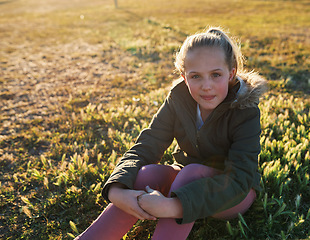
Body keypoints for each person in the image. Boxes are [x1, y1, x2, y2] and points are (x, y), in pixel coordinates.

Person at [75, 26, 267, 240]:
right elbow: (147, 144)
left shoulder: (245, 110)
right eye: (195, 76)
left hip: (232, 195)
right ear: (185, 77)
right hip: (184, 183)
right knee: (147, 173)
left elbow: (239, 179)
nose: (206, 86)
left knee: (191, 173)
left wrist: (172, 207)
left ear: (231, 74)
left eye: (215, 75)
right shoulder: (178, 99)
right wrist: (116, 191)